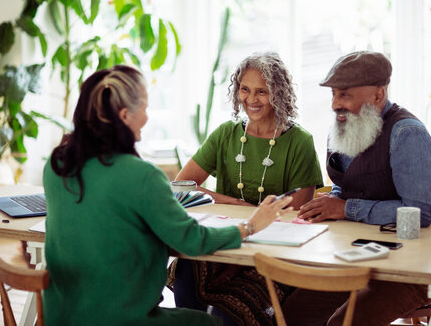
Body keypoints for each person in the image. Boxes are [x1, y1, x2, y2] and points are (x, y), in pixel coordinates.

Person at [42, 65, 292, 326]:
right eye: (145, 109)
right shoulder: (142, 176)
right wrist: (251, 225)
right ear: (125, 115)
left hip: (61, 317)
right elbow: (192, 241)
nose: (147, 118)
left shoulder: (58, 163)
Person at [282, 51, 431, 326]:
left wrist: (345, 209)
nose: (334, 104)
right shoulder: (343, 127)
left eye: (344, 95)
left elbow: (418, 213)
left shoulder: (408, 134)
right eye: (333, 94)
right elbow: (345, 187)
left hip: (408, 271)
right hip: (355, 258)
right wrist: (327, 207)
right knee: (293, 312)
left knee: (342, 323)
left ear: (378, 96)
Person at [172, 52, 324, 325]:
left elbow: (300, 211)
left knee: (232, 312)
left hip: (273, 253)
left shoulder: (299, 141)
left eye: (261, 92)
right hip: (229, 242)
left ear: (278, 93)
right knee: (186, 272)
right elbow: (182, 186)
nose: (251, 100)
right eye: (244, 89)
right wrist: (235, 204)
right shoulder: (225, 133)